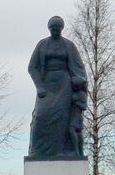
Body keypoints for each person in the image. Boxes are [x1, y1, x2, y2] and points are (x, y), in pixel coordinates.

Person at [27, 16, 88, 158]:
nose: (55, 31)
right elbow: (32, 66)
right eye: (53, 29)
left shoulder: (69, 45)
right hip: (46, 85)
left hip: (64, 85)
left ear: (61, 29)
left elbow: (79, 68)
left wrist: (78, 81)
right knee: (40, 116)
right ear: (49, 29)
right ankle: (39, 151)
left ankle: (62, 151)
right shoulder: (42, 44)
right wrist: (39, 86)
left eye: (58, 29)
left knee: (62, 119)